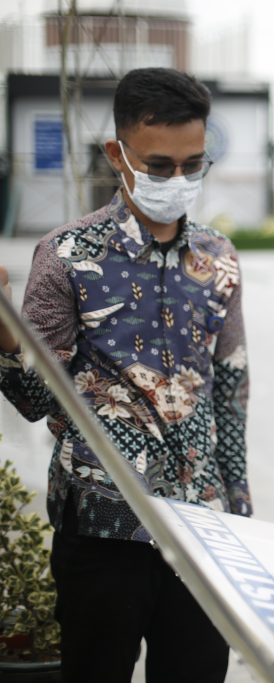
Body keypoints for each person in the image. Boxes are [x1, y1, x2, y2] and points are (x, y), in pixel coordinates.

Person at [0, 67, 248, 682]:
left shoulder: (218, 258)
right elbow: (34, 400)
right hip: (101, 529)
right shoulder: (66, 255)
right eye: (159, 166)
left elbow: (231, 390)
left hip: (202, 530)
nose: (178, 179)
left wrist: (241, 512)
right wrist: (5, 335)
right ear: (118, 153)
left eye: (193, 164)